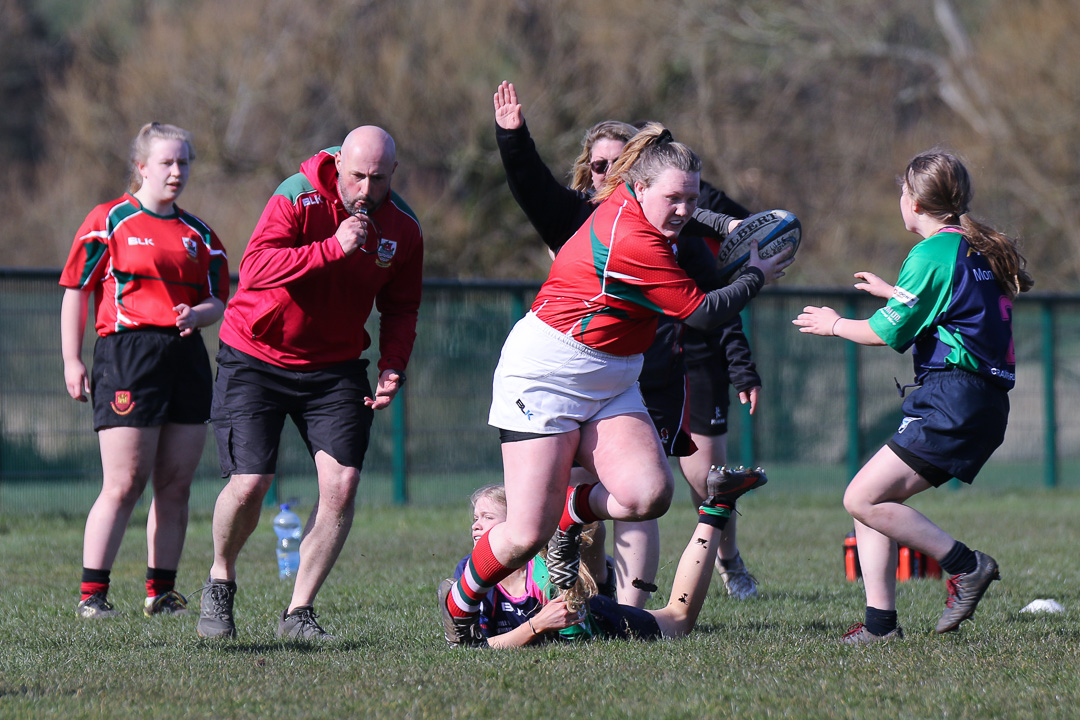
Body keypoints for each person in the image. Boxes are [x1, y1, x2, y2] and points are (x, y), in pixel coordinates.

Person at [440, 120, 792, 647]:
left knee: (649, 495)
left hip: (613, 373)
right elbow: (700, 312)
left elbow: (692, 214)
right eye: (673, 198)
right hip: (546, 376)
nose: (683, 209)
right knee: (524, 534)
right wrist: (756, 272)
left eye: (691, 198)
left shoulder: (640, 199)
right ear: (641, 189)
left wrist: (720, 222)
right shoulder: (630, 241)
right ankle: (458, 600)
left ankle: (571, 506)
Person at [493, 80, 761, 607]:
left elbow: (713, 295)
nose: (610, 173)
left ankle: (631, 608)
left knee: (647, 490)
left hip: (648, 372)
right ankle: (567, 601)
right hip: (571, 370)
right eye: (600, 166)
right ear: (587, 171)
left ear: (640, 175)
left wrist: (742, 363)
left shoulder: (668, 218)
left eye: (622, 163)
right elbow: (528, 184)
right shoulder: (581, 217)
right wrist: (514, 137)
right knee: (552, 507)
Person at [793, 149, 1033, 644]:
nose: (899, 201)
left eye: (901, 192)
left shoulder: (931, 254)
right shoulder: (974, 247)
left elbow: (886, 333)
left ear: (917, 201)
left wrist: (833, 324)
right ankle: (881, 626)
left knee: (861, 496)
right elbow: (953, 306)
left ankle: (967, 567)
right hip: (981, 401)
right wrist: (893, 291)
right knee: (872, 500)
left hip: (954, 395)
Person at [196, 126, 423, 641]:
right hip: (256, 354)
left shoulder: (403, 228)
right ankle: (220, 578)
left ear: (394, 175)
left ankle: (298, 612)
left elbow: (402, 305)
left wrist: (393, 362)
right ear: (338, 164)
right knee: (251, 483)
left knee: (341, 486)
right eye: (357, 176)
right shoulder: (295, 196)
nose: (366, 189)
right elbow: (253, 270)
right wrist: (329, 248)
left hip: (335, 366)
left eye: (378, 179)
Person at [60, 121, 230, 619]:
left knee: (176, 483)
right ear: (141, 167)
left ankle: (162, 593)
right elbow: (76, 290)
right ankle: (93, 595)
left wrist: (198, 315)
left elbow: (217, 297)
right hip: (127, 355)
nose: (177, 172)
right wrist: (72, 359)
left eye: (184, 163)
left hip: (186, 357)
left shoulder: (200, 234)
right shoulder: (108, 220)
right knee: (125, 481)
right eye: (166, 162)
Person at [442, 467, 766, 647]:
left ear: (518, 520)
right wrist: (536, 626)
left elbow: (479, 649)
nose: (476, 524)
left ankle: (573, 515)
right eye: (474, 517)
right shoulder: (470, 573)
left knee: (678, 618)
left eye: (486, 516)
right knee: (676, 618)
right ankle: (718, 505)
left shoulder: (534, 564)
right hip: (586, 616)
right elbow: (480, 648)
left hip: (590, 613)